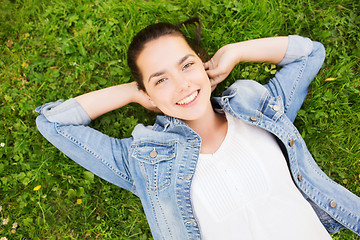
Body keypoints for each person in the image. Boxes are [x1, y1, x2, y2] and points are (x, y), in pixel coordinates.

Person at [35, 18, 360, 239]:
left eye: (187, 65)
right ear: (147, 92)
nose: (181, 85)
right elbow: (54, 123)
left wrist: (235, 52)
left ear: (203, 64)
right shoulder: (144, 162)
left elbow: (308, 54)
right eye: (160, 79)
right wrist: (132, 93)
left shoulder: (259, 108)